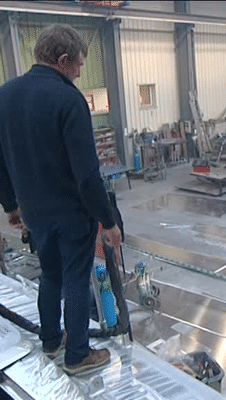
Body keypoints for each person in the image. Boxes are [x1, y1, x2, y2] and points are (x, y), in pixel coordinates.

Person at [0, 24, 122, 375]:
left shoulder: (5, 96)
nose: (80, 74)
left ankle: (52, 341)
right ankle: (78, 355)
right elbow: (87, 175)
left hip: (34, 213)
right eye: (79, 67)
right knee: (75, 280)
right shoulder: (68, 100)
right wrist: (108, 220)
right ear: (63, 60)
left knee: (50, 276)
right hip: (71, 214)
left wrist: (11, 205)